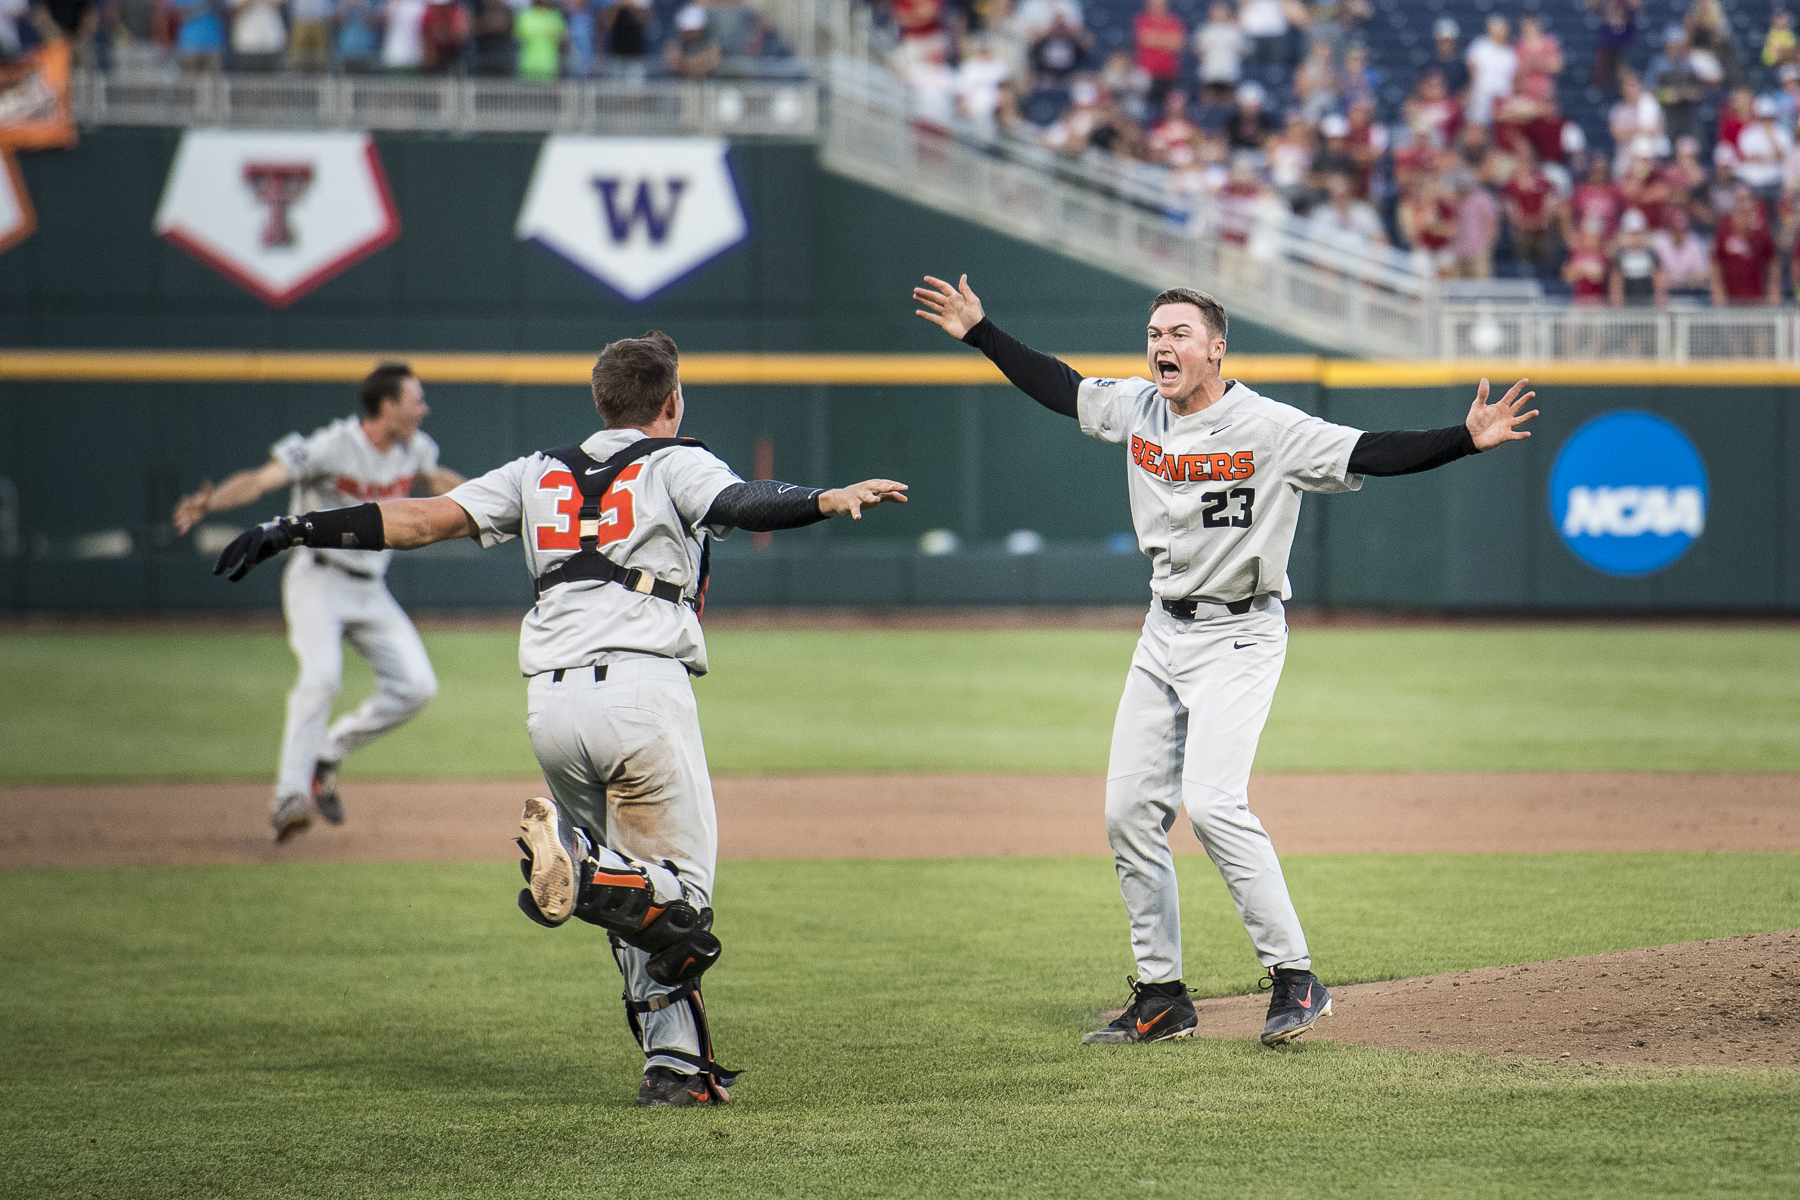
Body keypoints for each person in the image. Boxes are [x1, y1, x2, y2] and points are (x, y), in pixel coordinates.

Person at [210, 332, 909, 1107]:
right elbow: (738, 501)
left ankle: (674, 1070)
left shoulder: (535, 471)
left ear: (599, 402)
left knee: (638, 912)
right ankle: (584, 871)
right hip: (640, 697)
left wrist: (296, 528)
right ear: (670, 402)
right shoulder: (673, 459)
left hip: (552, 706)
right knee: (683, 904)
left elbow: (418, 520)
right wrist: (824, 498)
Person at [912, 274, 1537, 1047]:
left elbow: (1369, 450)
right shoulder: (1139, 408)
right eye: (1154, 333)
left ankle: (1297, 979)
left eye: (1178, 334)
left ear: (1215, 349)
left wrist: (1462, 438)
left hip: (1239, 633)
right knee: (1127, 814)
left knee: (1210, 803)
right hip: (1161, 632)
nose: (1161, 345)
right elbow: (1061, 387)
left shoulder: (1268, 426)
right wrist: (983, 331)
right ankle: (1162, 995)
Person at [170, 364, 468, 843]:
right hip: (318, 578)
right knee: (322, 677)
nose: (424, 407)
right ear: (387, 406)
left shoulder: (416, 447)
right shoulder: (333, 444)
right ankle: (289, 795)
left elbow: (437, 481)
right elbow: (265, 478)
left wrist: (496, 498)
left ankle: (326, 752)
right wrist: (211, 504)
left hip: (371, 587)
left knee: (417, 687)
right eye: (416, 399)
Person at [1712, 186, 1778, 306]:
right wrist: (1717, 288)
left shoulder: (1761, 231)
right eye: (1739, 199)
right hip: (1730, 299)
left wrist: (1774, 288)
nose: (1742, 203)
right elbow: (1716, 261)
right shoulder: (1725, 228)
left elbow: (1772, 260)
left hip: (1757, 298)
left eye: (1745, 199)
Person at [1464, 14, 1515, 127]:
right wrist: (1470, 92)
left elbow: (1513, 78)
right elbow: (1470, 70)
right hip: (1481, 97)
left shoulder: (1510, 52)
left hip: (1502, 99)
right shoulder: (1480, 45)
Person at [1193, 1, 1247, 106]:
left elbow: (1246, 50)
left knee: (1228, 106)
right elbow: (1197, 50)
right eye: (1216, 10)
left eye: (1222, 10)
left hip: (1229, 74)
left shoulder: (1234, 30)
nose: (1219, 13)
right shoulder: (1205, 30)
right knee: (1207, 104)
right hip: (1209, 74)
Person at [1609, 209, 1666, 306]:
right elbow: (1616, 284)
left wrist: (1660, 305)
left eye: (1638, 233)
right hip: (1628, 305)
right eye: (1632, 234)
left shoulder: (1651, 254)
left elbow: (1659, 283)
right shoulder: (1620, 256)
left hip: (1648, 304)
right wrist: (1617, 308)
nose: (1635, 238)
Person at [1132, 0, 1182, 108]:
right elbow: (1144, 39)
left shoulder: (1173, 21)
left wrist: (1155, 38)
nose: (1158, 7)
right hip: (1146, 72)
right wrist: (1167, 40)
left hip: (1169, 72)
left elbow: (1177, 43)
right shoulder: (1142, 20)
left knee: (1169, 107)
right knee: (1143, 106)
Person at [1652, 206, 1712, 295]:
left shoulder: (1694, 243)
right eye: (1675, 230)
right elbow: (1656, 274)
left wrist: (1678, 280)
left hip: (1691, 293)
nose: (1679, 234)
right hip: (1667, 293)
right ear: (1670, 229)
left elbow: (1703, 275)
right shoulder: (1660, 242)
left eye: (1682, 230)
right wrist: (1686, 277)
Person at [599, 0, 649, 83]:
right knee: (614, 93)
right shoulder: (612, 3)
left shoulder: (640, 2)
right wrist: (618, 5)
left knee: (634, 93)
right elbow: (607, 24)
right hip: (615, 55)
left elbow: (645, 20)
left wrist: (630, 5)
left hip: (635, 55)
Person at [663, 3, 718, 78]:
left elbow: (713, 61)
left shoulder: (711, 46)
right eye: (688, 31)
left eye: (695, 30)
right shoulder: (674, 46)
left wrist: (688, 65)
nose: (691, 34)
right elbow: (672, 61)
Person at [514, 0, 565, 80]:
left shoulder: (555, 17)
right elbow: (518, 40)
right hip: (528, 67)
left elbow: (562, 41)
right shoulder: (524, 17)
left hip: (549, 67)